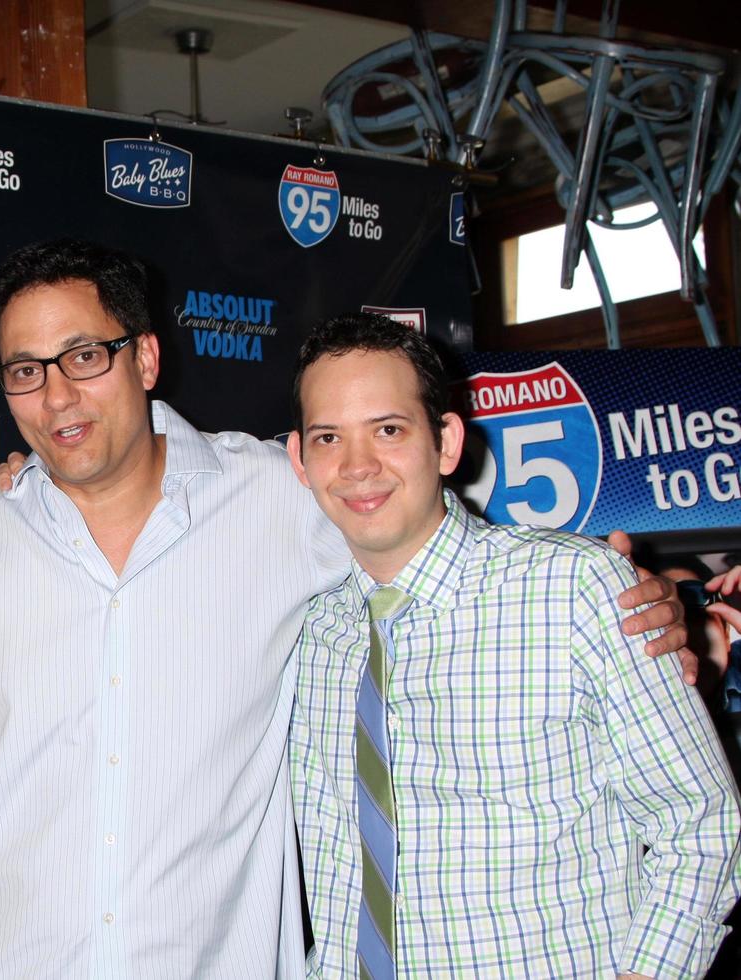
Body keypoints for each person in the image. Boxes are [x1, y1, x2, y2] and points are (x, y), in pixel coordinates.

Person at [0, 240, 686, 977]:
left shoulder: (279, 497)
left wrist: (644, 616)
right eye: (25, 370)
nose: (57, 395)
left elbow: (437, 550)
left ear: (145, 357)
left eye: (85, 356)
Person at [285, 313, 741, 979]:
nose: (358, 466)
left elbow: (701, 825)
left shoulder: (576, 588)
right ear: (299, 459)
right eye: (329, 437)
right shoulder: (310, 628)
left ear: (445, 442)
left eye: (388, 429)